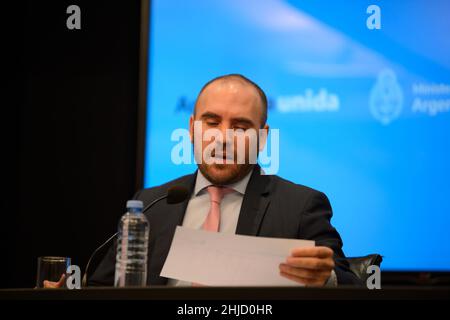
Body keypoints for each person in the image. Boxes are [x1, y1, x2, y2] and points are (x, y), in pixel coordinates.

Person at [46, 74, 361, 287]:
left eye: (239, 126)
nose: (223, 138)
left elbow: (350, 282)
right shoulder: (152, 204)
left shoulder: (300, 206)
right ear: (192, 128)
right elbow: (103, 286)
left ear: (262, 138)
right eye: (212, 122)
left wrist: (326, 276)